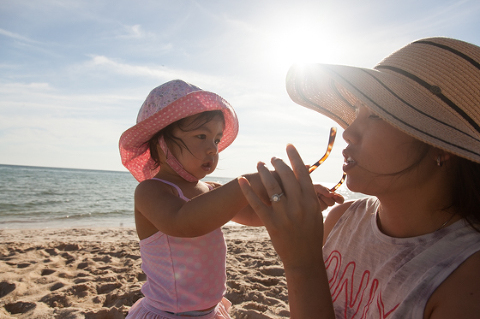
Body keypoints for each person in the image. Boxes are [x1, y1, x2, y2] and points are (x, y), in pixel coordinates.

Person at [238, 37, 480, 318]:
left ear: (440, 143)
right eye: (356, 111)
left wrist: (302, 264)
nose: (348, 132)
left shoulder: (466, 277)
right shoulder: (341, 219)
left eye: (375, 115)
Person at [119, 79, 264, 319]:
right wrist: (243, 185)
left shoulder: (210, 189)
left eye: (216, 140)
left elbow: (252, 214)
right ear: (160, 142)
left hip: (210, 311)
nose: (213, 149)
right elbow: (183, 223)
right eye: (201, 136)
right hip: (168, 314)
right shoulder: (152, 191)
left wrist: (297, 199)